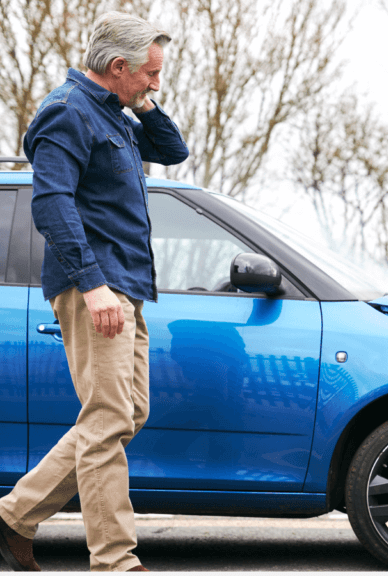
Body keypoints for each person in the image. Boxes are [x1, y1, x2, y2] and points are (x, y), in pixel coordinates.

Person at [0, 11, 188, 572]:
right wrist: (94, 286)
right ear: (116, 66)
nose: (156, 81)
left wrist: (143, 102)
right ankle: (115, 560)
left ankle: (15, 515)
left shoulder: (118, 114)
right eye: (149, 73)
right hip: (97, 287)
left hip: (125, 284)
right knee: (107, 418)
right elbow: (51, 203)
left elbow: (173, 151)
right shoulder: (66, 113)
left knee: (128, 412)